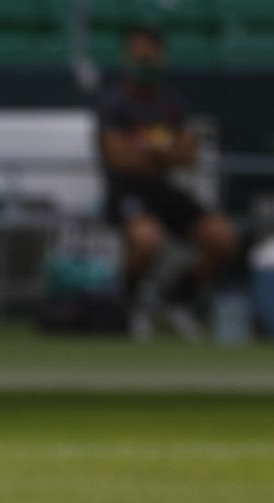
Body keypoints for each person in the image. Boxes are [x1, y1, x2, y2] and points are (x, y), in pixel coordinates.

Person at [97, 23, 238, 338]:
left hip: (162, 188)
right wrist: (165, 150)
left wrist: (149, 151)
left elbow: (188, 154)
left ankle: (177, 299)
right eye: (138, 51)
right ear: (127, 56)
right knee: (148, 239)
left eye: (152, 51)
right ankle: (130, 305)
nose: (145, 58)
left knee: (222, 238)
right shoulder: (114, 103)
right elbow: (120, 158)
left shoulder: (170, 104)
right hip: (126, 191)